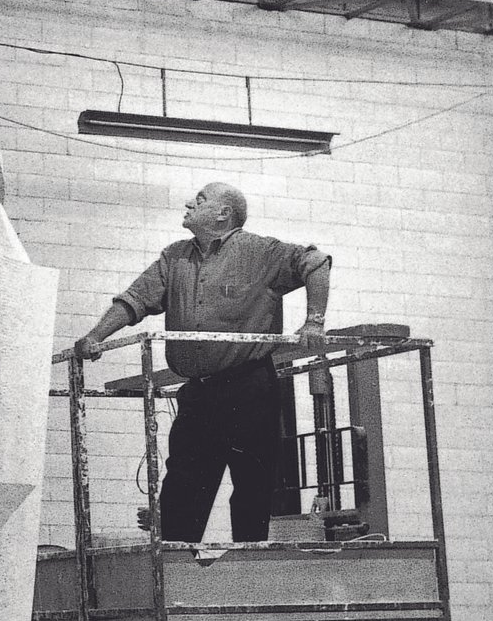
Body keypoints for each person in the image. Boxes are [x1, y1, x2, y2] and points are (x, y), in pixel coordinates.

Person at [74, 181, 332, 544]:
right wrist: (95, 336)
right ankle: (175, 569)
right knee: (182, 487)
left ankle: (249, 568)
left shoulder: (260, 252)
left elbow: (316, 262)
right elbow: (135, 299)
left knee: (252, 488)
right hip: (199, 393)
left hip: (249, 388)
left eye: (199, 200)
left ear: (223, 213)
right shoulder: (175, 257)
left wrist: (314, 321)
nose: (188, 204)